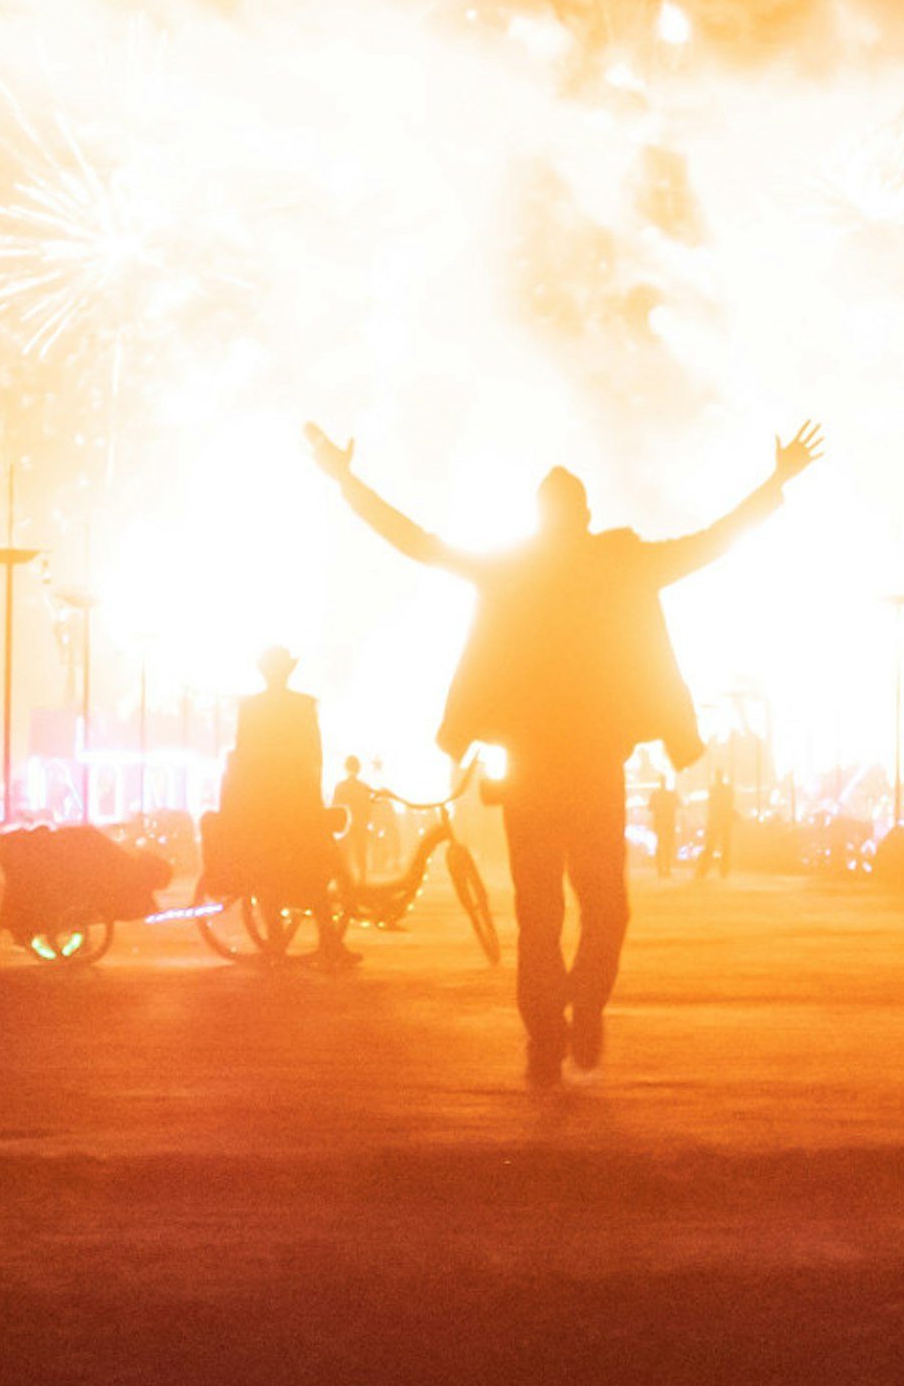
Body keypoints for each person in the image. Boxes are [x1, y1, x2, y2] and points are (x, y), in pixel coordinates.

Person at [309, 418, 821, 1088]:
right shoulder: (619, 560)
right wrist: (775, 482)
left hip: (530, 772)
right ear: (584, 515)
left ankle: (546, 1038)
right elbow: (711, 544)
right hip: (592, 767)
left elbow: (420, 545)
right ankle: (580, 1008)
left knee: (539, 915)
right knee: (606, 909)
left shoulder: (512, 568)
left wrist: (347, 483)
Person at [215, 647, 349, 962]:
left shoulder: (250, 708)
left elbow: (242, 757)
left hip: (260, 805)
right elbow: (315, 758)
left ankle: (276, 941)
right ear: (288, 671)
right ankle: (328, 941)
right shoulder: (304, 706)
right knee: (314, 872)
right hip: (297, 803)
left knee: (267, 877)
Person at [699, 769, 735, 879]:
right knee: (725, 846)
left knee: (711, 846)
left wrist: (710, 821)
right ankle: (724, 870)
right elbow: (729, 805)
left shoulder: (714, 790)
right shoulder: (727, 790)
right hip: (724, 820)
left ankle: (703, 870)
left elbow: (712, 806)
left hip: (716, 820)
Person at [648, 770, 683, 879]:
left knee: (662, 845)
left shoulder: (657, 795)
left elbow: (650, 807)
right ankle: (665, 869)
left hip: (661, 823)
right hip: (667, 823)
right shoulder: (670, 794)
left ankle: (662, 869)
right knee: (666, 846)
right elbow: (679, 804)